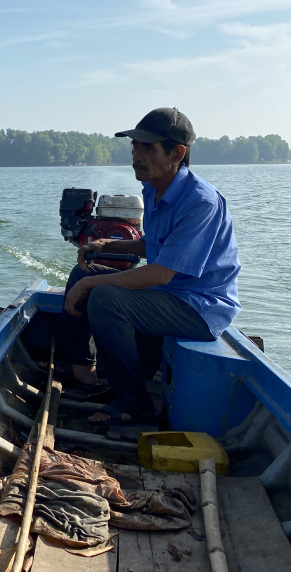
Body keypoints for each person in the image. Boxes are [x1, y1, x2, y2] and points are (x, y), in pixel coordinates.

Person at [60, 107, 240, 426]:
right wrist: (108, 245)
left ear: (177, 153)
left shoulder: (200, 202)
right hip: (167, 294)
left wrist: (91, 286)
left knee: (103, 296)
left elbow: (161, 272)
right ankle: (85, 374)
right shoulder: (155, 188)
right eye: (134, 147)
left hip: (199, 307)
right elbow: (153, 245)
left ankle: (134, 402)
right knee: (82, 272)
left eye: (147, 148)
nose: (136, 155)